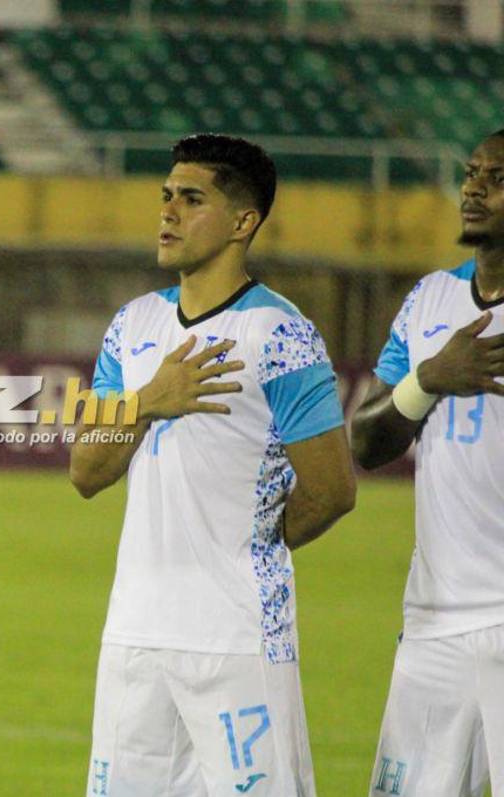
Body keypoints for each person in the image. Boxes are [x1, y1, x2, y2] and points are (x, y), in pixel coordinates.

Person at [69, 134, 356, 796]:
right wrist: (146, 403)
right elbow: (87, 470)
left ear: (242, 222)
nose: (168, 211)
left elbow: (333, 490)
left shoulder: (280, 334)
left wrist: (249, 548)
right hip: (135, 634)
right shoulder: (133, 324)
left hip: (238, 637)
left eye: (191, 198)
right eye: (166, 195)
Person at [351, 129, 504, 797]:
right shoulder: (428, 301)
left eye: (496, 177)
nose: (472, 188)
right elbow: (365, 441)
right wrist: (431, 376)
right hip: (434, 626)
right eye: (471, 173)